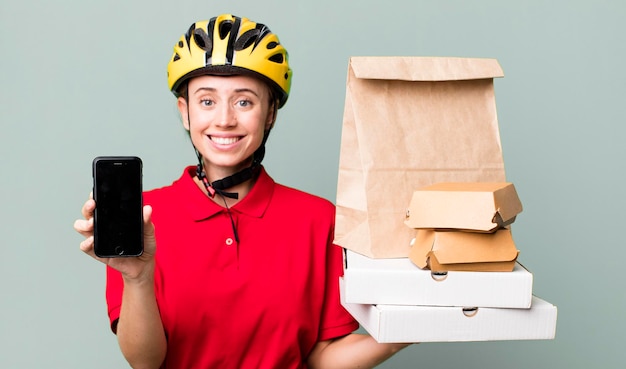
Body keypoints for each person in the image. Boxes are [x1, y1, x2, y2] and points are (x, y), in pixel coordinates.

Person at [74, 13, 410, 368]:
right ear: (184, 112)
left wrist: (407, 328)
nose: (224, 119)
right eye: (207, 101)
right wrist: (137, 277)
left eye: (244, 101)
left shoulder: (320, 219)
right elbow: (146, 361)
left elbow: (321, 357)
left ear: (270, 114)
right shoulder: (142, 218)